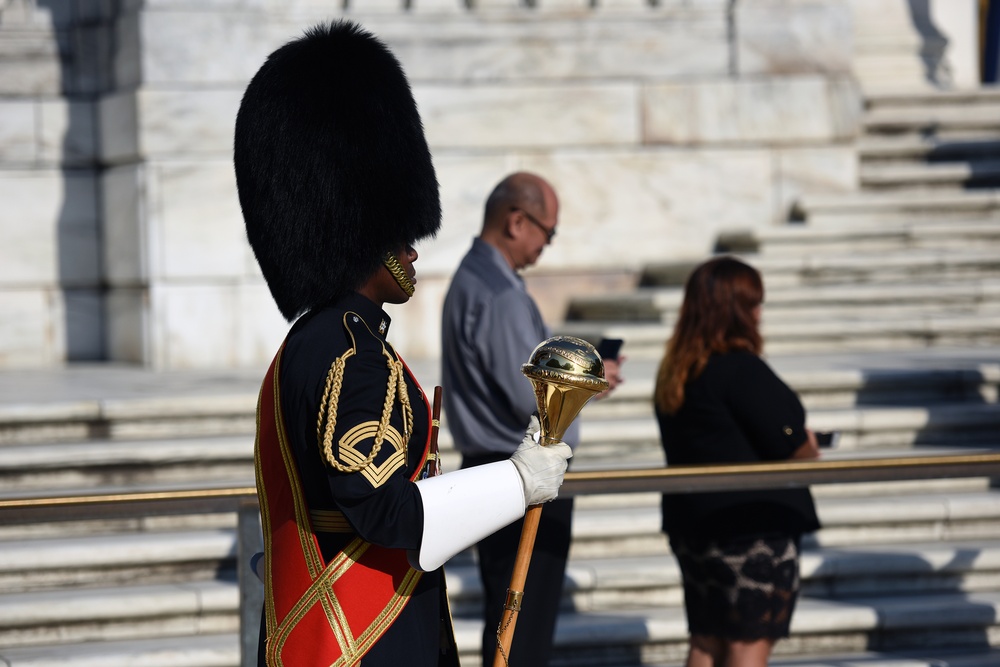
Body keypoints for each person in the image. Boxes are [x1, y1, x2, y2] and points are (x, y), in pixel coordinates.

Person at [234, 23, 574, 667]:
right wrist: (517, 481)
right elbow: (387, 513)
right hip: (362, 643)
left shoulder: (316, 343)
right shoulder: (349, 354)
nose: (413, 250)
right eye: (399, 233)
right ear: (363, 233)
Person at [440, 172, 623, 667]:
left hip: (503, 468)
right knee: (521, 633)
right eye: (548, 230)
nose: (547, 244)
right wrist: (588, 381)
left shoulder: (479, 279)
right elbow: (535, 395)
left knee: (512, 627)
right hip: (520, 473)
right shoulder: (497, 292)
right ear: (516, 221)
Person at [653, 256, 821, 667]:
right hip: (751, 528)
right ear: (736, 311)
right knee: (747, 643)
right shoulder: (740, 369)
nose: (760, 313)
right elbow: (788, 444)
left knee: (707, 641)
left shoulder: (678, 371)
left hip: (694, 525)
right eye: (753, 303)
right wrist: (808, 445)